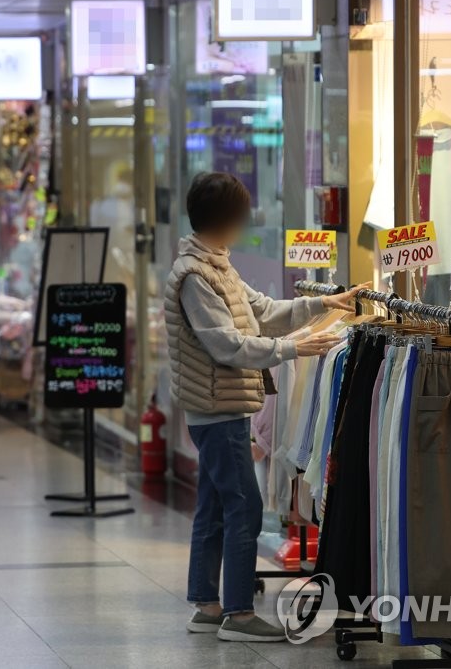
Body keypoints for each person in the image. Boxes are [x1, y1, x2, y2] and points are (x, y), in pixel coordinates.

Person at [164, 172, 363, 642]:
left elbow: (262, 311)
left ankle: (207, 605)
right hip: (218, 409)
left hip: (222, 405)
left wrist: (322, 304)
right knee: (244, 507)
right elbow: (226, 345)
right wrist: (294, 350)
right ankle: (238, 613)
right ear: (227, 218)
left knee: (214, 505)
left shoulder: (215, 265)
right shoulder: (195, 276)